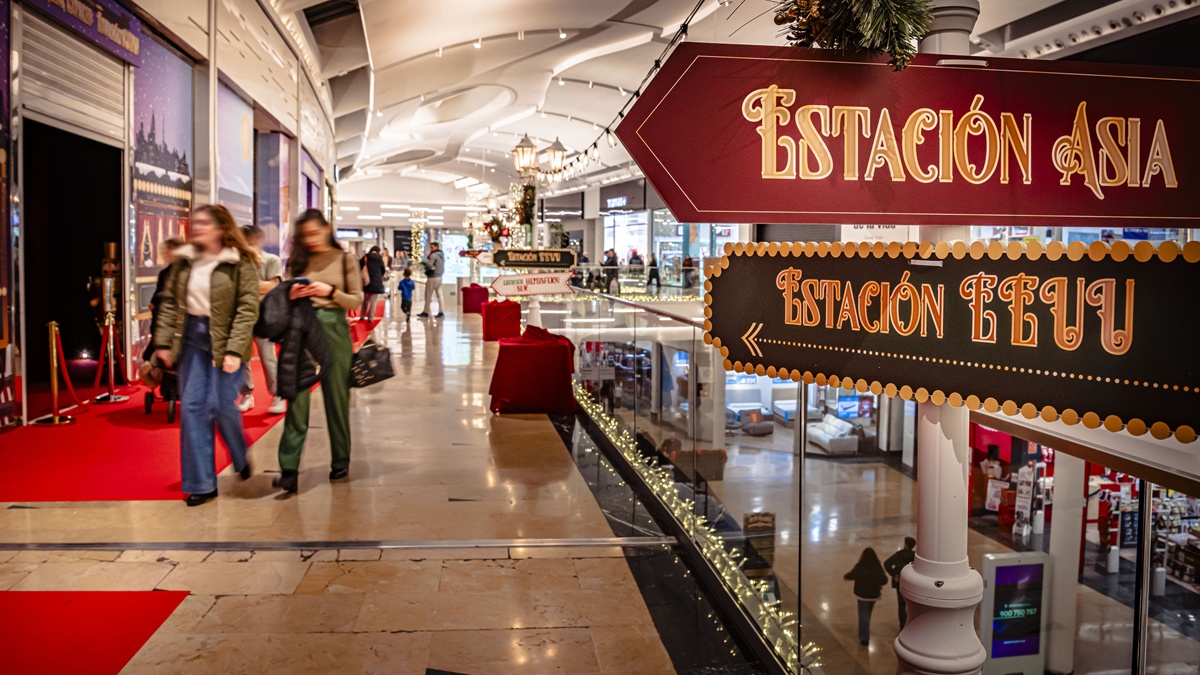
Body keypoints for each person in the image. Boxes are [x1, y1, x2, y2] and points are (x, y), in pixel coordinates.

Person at [153, 205, 259, 507]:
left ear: (222, 228)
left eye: (204, 223)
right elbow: (170, 303)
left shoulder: (240, 261)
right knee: (192, 408)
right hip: (190, 339)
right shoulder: (185, 260)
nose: (196, 227)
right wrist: (163, 342)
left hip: (224, 339)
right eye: (195, 222)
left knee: (221, 405)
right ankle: (201, 483)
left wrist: (235, 350)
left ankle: (239, 453)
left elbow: (247, 309)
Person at [274, 209, 363, 494]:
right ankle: (289, 469)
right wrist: (291, 294)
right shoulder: (297, 261)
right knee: (296, 400)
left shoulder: (344, 259)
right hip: (300, 330)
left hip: (333, 329)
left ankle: (341, 460)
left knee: (336, 398)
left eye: (315, 233)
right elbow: (284, 298)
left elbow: (356, 300)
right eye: (305, 235)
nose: (310, 239)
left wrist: (330, 292)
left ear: (327, 229)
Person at [237, 225, 286, 415]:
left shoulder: (271, 260)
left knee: (268, 357)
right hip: (241, 316)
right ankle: (247, 394)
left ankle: (278, 394)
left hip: (264, 316)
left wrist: (247, 286)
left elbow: (272, 286)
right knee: (241, 359)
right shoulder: (236, 262)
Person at [844, 547, 889, 645]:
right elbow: (884, 580)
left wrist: (847, 576)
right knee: (867, 614)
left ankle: (864, 638)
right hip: (874, 595)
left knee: (863, 615)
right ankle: (865, 628)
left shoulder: (860, 566)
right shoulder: (877, 566)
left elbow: (851, 575)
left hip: (862, 595)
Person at [884, 537, 917, 629]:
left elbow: (887, 563)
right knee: (911, 605)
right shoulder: (914, 556)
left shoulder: (899, 555)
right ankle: (911, 623)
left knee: (901, 604)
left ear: (906, 545)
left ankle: (903, 625)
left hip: (899, 582)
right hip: (911, 583)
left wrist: (894, 574)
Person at [417, 242, 445, 318]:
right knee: (439, 294)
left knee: (428, 295)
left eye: (432, 247)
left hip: (432, 277)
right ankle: (441, 311)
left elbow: (429, 265)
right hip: (439, 277)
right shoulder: (441, 255)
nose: (431, 249)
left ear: (436, 247)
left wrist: (425, 264)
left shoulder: (433, 255)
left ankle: (426, 311)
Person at [360, 245, 388, 320]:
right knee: (373, 300)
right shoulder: (380, 258)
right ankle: (371, 317)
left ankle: (362, 316)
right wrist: (379, 276)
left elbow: (359, 266)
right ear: (378, 251)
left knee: (366, 299)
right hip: (376, 282)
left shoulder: (366, 257)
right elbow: (383, 270)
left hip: (367, 281)